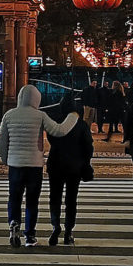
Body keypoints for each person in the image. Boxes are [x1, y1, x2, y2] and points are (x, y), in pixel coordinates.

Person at [0, 84, 79, 248]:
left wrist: (7, 159)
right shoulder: (40, 115)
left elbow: (1, 142)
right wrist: (73, 116)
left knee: (14, 197)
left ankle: (14, 222)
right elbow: (59, 130)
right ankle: (30, 235)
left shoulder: (9, 115)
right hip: (34, 165)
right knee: (32, 201)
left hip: (15, 165)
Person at [45, 92, 93, 246]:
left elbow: (51, 138)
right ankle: (68, 231)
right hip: (74, 165)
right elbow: (88, 146)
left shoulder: (55, 121)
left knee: (55, 197)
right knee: (71, 199)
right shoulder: (81, 124)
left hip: (56, 163)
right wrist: (85, 161)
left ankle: (55, 225)